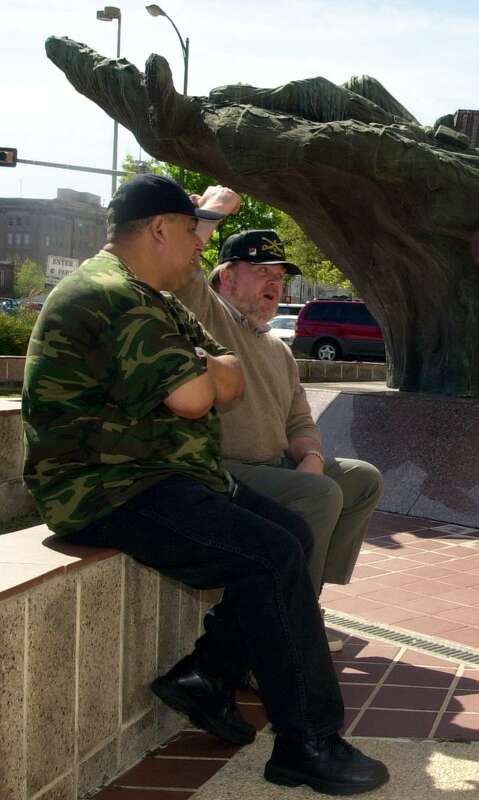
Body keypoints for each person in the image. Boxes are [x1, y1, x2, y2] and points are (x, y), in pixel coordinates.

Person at [21, 174, 388, 794]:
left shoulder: (148, 295)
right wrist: (211, 372)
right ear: (160, 229)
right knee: (271, 556)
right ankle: (307, 743)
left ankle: (208, 673)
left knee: (292, 533)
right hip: (108, 488)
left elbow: (229, 374)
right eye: (193, 232)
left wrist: (213, 372)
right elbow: (198, 394)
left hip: (161, 476)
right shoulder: (114, 295)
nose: (199, 247)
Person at [173, 211, 383, 653]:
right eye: (261, 272)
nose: (275, 284)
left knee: (361, 479)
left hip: (275, 464)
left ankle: (303, 601)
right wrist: (207, 216)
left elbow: (300, 422)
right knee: (320, 495)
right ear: (227, 278)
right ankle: (287, 632)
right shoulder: (212, 317)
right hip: (222, 468)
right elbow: (183, 275)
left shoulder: (277, 349)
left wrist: (311, 458)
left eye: (280, 276)